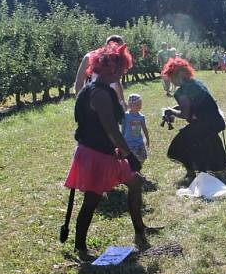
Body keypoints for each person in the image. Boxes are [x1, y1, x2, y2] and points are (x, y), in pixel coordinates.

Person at [64, 42, 158, 258]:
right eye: (122, 68)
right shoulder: (100, 95)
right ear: (112, 70)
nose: (125, 72)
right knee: (92, 201)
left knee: (135, 183)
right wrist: (130, 156)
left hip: (106, 150)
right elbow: (111, 131)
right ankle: (80, 247)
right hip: (96, 153)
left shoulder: (101, 90)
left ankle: (140, 228)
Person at [162, 57, 226, 183]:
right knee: (203, 140)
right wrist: (173, 108)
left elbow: (186, 114)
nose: (171, 79)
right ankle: (206, 170)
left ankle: (192, 172)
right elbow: (193, 104)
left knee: (181, 142)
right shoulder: (196, 83)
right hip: (216, 122)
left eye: (172, 76)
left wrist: (171, 112)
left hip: (205, 124)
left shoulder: (181, 91)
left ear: (180, 74)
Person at [74, 34, 126, 107]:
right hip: (92, 101)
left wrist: (122, 101)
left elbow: (117, 81)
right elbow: (79, 81)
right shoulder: (89, 57)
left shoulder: (118, 59)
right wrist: (80, 104)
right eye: (120, 48)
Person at [122, 93, 150, 167]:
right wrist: (122, 138)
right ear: (130, 106)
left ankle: (138, 167)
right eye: (137, 105)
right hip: (129, 142)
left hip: (139, 142)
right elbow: (123, 127)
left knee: (143, 157)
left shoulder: (141, 117)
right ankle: (133, 170)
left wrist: (147, 138)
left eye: (140, 104)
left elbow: (144, 128)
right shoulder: (126, 116)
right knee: (131, 159)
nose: (139, 106)